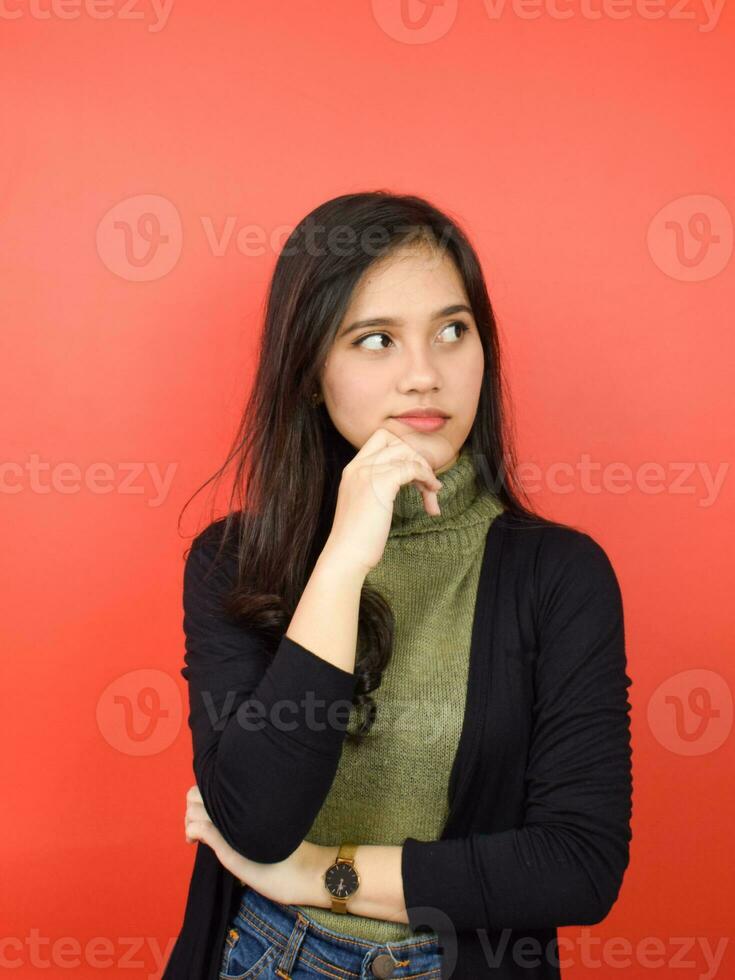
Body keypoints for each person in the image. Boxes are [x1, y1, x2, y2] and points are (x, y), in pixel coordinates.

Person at [163, 191, 633, 979]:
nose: (425, 375)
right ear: (310, 372)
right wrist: (345, 552)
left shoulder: (558, 575)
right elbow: (257, 819)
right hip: (262, 957)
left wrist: (318, 875)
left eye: (452, 331)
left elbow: (577, 864)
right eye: (375, 340)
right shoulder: (233, 562)